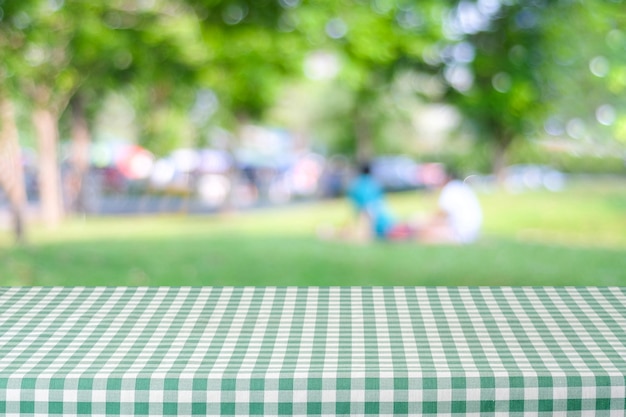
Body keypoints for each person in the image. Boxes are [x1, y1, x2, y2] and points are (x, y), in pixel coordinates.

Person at [418, 170, 482, 244]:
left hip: (460, 233)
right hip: (472, 232)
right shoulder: (461, 187)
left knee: (423, 232)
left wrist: (421, 221)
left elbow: (440, 215)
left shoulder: (450, 189)